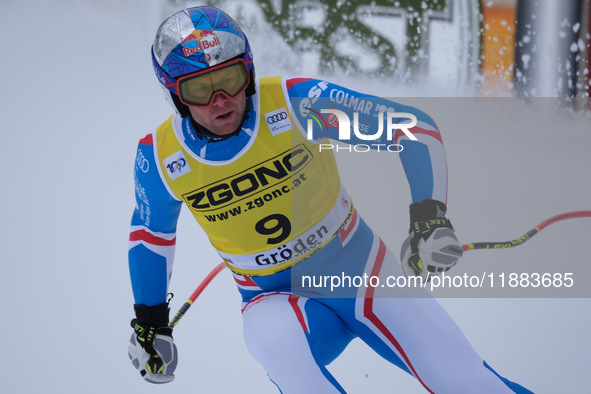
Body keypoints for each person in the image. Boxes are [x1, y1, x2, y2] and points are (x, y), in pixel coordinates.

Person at [127, 5, 532, 393]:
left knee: (469, 385)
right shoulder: (161, 157)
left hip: (361, 273)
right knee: (275, 343)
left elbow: (414, 131)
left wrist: (429, 216)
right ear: (176, 96)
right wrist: (150, 323)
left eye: (230, 79)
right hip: (273, 300)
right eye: (200, 89)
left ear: (248, 72)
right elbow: (151, 234)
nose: (220, 99)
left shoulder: (298, 104)